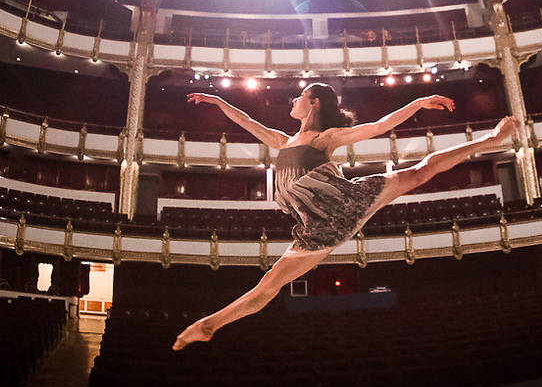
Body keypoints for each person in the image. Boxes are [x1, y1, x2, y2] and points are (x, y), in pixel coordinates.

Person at [173, 82, 519, 349]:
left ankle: (491, 139)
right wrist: (219, 103)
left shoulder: (327, 137)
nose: (292, 101)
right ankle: (210, 325)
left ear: (314, 102)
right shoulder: (282, 141)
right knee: (268, 286)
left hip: (345, 205)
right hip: (318, 229)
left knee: (418, 172)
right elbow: (247, 121)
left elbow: (380, 126)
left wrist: (416, 103)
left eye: (299, 96)